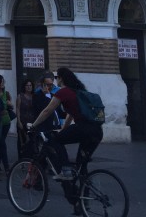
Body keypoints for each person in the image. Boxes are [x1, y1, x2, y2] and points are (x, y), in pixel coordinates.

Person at [28, 67, 104, 212]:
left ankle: (65, 170)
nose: (56, 80)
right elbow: (69, 115)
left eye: (57, 78)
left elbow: (47, 110)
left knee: (54, 141)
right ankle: (83, 202)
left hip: (83, 129)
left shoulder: (63, 92)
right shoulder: (80, 91)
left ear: (61, 78)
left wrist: (34, 125)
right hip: (97, 131)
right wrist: (63, 130)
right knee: (82, 166)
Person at [0, 73, 15, 172]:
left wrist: (8, 105)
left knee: (0, 144)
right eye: (2, 81)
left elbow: (11, 106)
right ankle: (6, 166)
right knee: (2, 144)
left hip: (6, 122)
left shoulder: (6, 93)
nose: (3, 83)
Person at [16, 78, 37, 154]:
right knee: (22, 142)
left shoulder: (35, 96)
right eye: (27, 85)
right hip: (22, 122)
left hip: (32, 123)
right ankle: (21, 159)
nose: (29, 87)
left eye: (30, 85)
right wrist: (19, 122)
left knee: (32, 141)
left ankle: (30, 159)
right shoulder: (20, 96)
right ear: (24, 87)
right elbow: (18, 109)